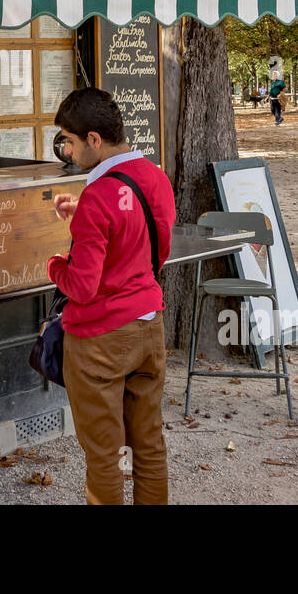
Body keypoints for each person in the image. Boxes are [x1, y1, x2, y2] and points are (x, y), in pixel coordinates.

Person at [47, 88, 176, 505]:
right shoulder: (154, 176)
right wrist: (82, 216)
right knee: (149, 447)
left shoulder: (99, 196)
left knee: (105, 456)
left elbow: (82, 287)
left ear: (94, 141)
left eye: (69, 140)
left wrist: (53, 264)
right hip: (148, 326)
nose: (66, 149)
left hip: (100, 340)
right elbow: (153, 246)